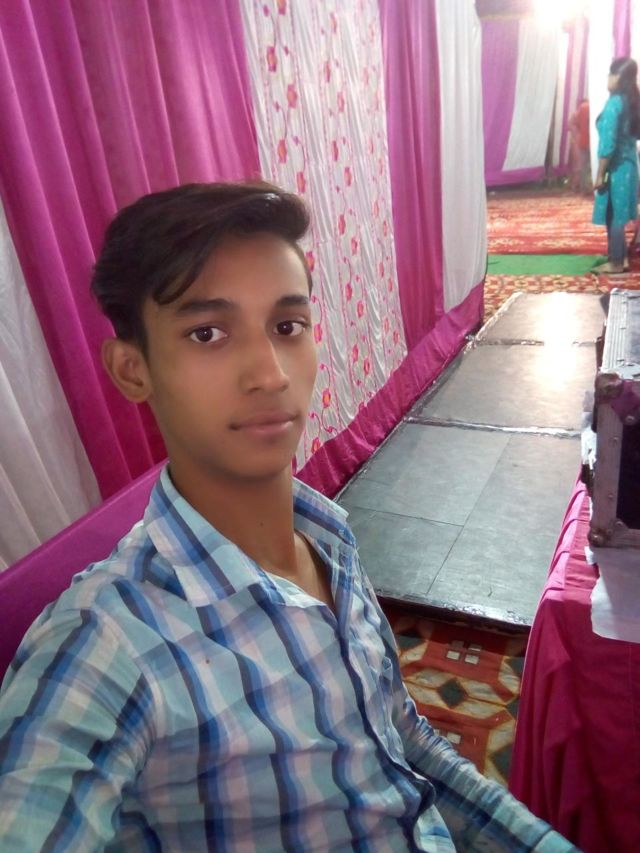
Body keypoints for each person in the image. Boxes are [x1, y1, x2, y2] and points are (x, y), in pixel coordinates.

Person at [0, 182, 576, 851]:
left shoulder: (328, 535)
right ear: (133, 370)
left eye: (287, 327)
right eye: (208, 333)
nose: (271, 374)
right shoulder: (106, 642)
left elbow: (403, 741)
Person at [593, 57, 640, 274]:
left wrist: (600, 174)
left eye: (612, 74)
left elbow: (608, 144)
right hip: (629, 166)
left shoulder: (614, 103)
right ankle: (621, 258)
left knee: (613, 215)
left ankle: (616, 262)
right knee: (618, 213)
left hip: (615, 167)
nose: (608, 78)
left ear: (620, 77)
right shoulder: (632, 102)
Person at [568, 98, 591, 194]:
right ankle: (586, 186)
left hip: (581, 141)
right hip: (590, 141)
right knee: (586, 166)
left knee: (581, 166)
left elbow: (571, 124)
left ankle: (582, 187)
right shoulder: (591, 107)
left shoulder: (579, 111)